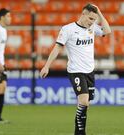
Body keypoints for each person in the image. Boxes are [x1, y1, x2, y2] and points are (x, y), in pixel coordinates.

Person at [40, 4, 111, 135]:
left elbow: (107, 31)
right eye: (90, 18)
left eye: (94, 19)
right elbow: (57, 48)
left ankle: (77, 132)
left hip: (90, 71)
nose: (92, 22)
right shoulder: (68, 29)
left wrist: (99, 13)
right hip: (76, 71)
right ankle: (81, 133)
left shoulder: (92, 28)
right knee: (83, 101)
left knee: (85, 105)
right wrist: (47, 65)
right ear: (83, 14)